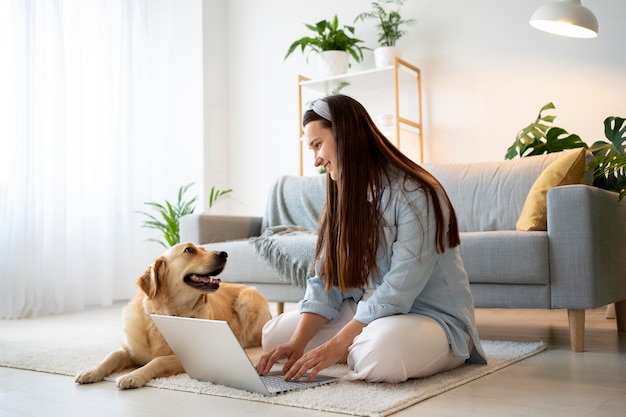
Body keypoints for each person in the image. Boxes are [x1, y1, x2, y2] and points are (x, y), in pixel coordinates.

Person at [255, 94, 487, 384]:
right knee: (275, 337)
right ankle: (352, 349)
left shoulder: (417, 193)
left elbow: (399, 289)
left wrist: (337, 343)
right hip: (371, 312)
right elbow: (326, 281)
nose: (316, 160)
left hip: (428, 316)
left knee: (379, 356)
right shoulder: (342, 197)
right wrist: (298, 342)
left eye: (318, 145)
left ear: (345, 136)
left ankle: (355, 350)